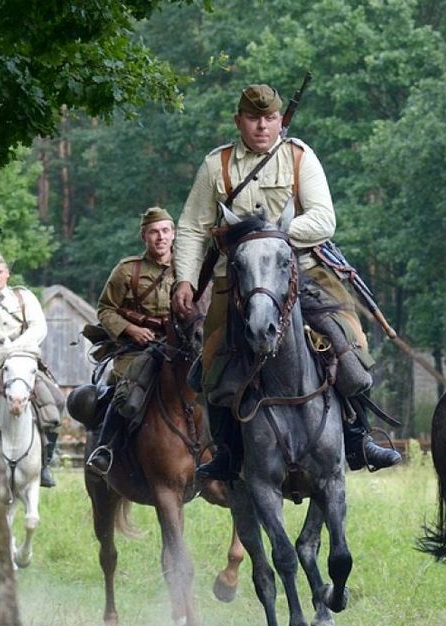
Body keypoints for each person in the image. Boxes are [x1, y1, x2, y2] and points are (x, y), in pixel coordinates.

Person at [171, 83, 400, 481]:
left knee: (351, 341)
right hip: (238, 280)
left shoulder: (299, 157)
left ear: (280, 120)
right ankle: (228, 452)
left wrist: (273, 239)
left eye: (270, 118)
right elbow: (191, 228)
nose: (262, 126)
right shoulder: (216, 165)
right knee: (211, 362)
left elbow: (324, 218)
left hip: (304, 270)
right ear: (238, 121)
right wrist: (185, 281)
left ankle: (358, 437)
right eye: (254, 118)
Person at [85, 207, 177, 475]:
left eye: (165, 231)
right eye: (153, 232)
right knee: (127, 391)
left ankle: (226, 454)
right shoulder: (127, 271)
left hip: (180, 344)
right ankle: (106, 448)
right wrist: (130, 329)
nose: (160, 237)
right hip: (138, 348)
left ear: (174, 234)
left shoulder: (189, 269)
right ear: (144, 237)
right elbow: (105, 309)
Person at [0, 249, 63, 487]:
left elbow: (38, 328)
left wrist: (16, 347)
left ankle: (44, 464)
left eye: (0, 272)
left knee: (55, 404)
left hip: (23, 357)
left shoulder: (23, 297)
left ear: (7, 274)